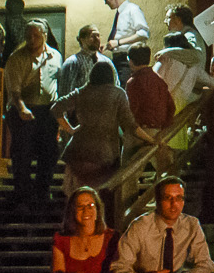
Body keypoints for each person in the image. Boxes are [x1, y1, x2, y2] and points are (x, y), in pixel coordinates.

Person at [55, 61, 155, 223]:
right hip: (104, 157)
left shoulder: (82, 92)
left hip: (77, 154)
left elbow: (56, 108)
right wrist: (151, 140)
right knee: (100, 201)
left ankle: (73, 231)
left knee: (76, 199)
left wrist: (71, 129)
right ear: (112, 75)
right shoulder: (117, 94)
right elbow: (130, 126)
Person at [1, 19, 63, 208]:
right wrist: (21, 109)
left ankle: (43, 191)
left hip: (47, 110)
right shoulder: (17, 58)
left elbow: (58, 81)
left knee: (48, 152)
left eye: (36, 35)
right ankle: (22, 193)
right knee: (22, 153)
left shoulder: (55, 56)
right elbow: (14, 90)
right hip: (24, 108)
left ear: (44, 35)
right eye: (28, 36)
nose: (31, 39)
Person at [102, 0, 150, 78]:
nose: (106, 3)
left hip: (127, 60)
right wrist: (109, 45)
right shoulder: (120, 13)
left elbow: (143, 33)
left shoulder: (132, 9)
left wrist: (118, 42)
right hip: (118, 59)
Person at [59, 24, 107, 98]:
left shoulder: (106, 62)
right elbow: (65, 91)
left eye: (98, 35)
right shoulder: (72, 62)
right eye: (92, 36)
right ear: (82, 39)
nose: (97, 39)